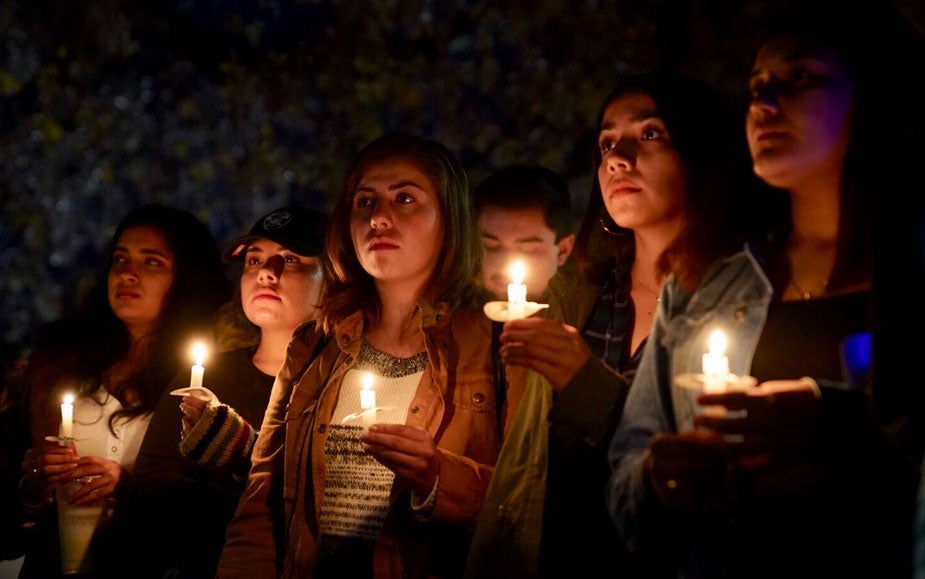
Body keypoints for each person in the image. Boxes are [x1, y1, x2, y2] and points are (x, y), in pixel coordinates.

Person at [606, 2, 925, 578]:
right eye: (756, 85)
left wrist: (835, 423)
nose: (763, 104)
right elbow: (630, 455)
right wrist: (660, 477)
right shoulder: (705, 286)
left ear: (876, 90)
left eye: (799, 77)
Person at [465, 71, 767, 578]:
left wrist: (589, 388)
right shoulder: (574, 298)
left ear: (703, 150)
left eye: (650, 134)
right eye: (606, 142)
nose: (617, 158)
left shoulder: (746, 297)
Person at [216, 134, 525, 578]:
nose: (380, 217)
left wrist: (436, 475)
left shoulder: (501, 344)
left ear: (449, 218)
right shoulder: (313, 347)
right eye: (365, 202)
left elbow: (524, 504)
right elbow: (259, 510)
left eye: (404, 198)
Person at [104, 206, 328, 579]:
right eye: (254, 260)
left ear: (334, 280)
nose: (265, 273)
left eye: (290, 260)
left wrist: (238, 456)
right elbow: (152, 491)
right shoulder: (208, 377)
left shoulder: (339, 386)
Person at [10, 203, 230, 578]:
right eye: (119, 259)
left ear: (186, 277)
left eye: (151, 262)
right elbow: (20, 490)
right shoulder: (60, 365)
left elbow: (208, 498)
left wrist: (126, 485)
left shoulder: (207, 376)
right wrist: (35, 480)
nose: (128, 274)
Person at [472, 164, 576, 301]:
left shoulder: (587, 316)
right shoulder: (444, 313)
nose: (504, 269)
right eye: (489, 246)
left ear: (563, 250)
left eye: (529, 250)